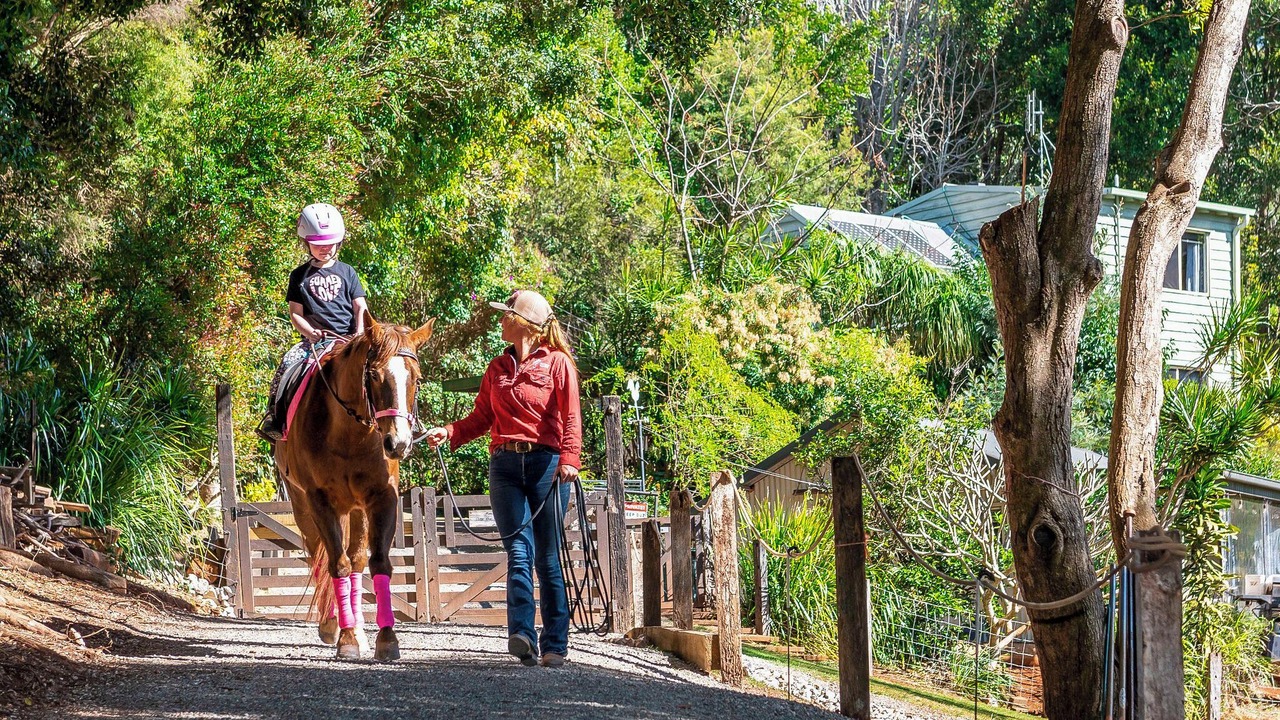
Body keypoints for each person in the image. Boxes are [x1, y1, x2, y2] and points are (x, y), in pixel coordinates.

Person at [423, 289, 582, 668]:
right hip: (505, 466)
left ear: (524, 323)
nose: (500, 320)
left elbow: (572, 416)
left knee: (546, 557)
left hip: (546, 465)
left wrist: (570, 459)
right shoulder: (496, 368)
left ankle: (555, 643)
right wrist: (450, 431)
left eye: (506, 314)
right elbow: (481, 418)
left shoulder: (558, 364)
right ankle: (523, 635)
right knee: (518, 552)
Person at [257, 203, 370, 441]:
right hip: (315, 343)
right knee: (287, 363)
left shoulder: (348, 271)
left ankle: (393, 420)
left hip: (349, 339)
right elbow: (295, 313)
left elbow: (360, 306)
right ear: (306, 243)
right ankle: (274, 417)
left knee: (382, 369)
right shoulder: (299, 276)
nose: (324, 249)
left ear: (339, 243)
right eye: (318, 244)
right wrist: (310, 333)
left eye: (329, 244)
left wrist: (359, 333)